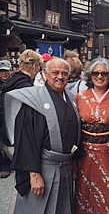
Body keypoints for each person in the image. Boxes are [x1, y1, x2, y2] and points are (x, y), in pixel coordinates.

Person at [4, 58, 82, 214]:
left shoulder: (71, 98)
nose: (60, 77)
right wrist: (33, 173)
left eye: (64, 73)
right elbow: (25, 139)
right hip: (43, 167)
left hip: (65, 166)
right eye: (55, 73)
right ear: (45, 74)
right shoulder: (34, 100)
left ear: (69, 76)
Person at [74, 57, 109, 214]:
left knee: (108, 192)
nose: (100, 77)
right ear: (90, 75)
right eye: (95, 73)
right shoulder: (80, 97)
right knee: (83, 191)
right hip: (84, 154)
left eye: (104, 73)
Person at [1, 49, 43, 159]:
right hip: (19, 141)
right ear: (34, 66)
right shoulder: (27, 88)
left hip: (7, 137)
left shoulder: (11, 82)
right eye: (39, 67)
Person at [0, 60, 12, 178]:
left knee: (7, 142)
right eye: (1, 71)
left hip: (9, 116)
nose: (4, 74)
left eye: (6, 71)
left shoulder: (14, 84)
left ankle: (6, 166)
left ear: (11, 71)